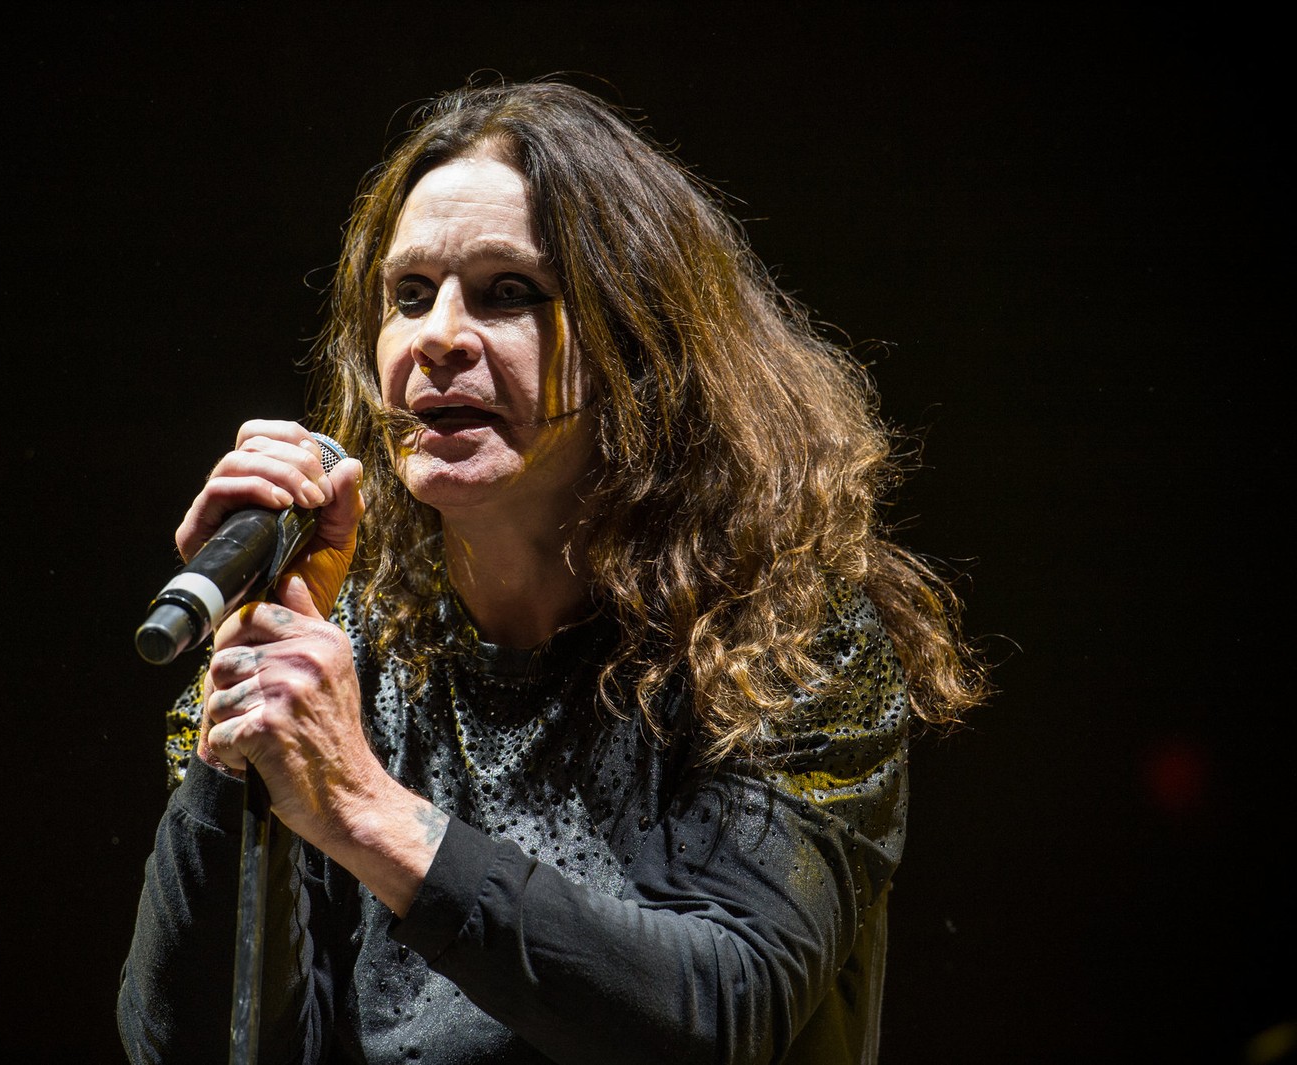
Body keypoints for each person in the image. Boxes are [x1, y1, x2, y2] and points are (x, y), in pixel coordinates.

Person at [118, 79, 987, 1065]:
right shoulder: (344, 647)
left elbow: (721, 1014)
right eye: (407, 296)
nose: (437, 336)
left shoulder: (780, 642)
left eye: (509, 294)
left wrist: (363, 805)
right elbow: (182, 1043)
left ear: (639, 345)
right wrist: (235, 755)